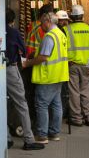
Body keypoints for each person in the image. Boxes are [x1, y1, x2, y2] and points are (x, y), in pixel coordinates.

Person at [22, 12, 69, 144]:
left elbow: (43, 57)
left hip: (47, 76)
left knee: (41, 104)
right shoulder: (61, 34)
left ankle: (42, 135)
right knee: (56, 105)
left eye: (42, 23)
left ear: (48, 21)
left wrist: (26, 63)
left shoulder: (49, 37)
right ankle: (54, 133)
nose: (41, 25)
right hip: (59, 75)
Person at [6, 9, 45, 150]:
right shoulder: (14, 32)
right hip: (10, 69)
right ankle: (29, 140)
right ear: (12, 20)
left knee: (1, 104)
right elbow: (23, 50)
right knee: (21, 103)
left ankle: (7, 138)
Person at [65, 5, 89, 126]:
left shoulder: (67, 29)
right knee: (85, 90)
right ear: (82, 15)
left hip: (73, 64)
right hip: (87, 64)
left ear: (72, 17)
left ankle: (76, 118)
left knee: (74, 91)